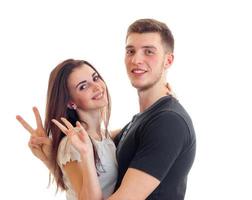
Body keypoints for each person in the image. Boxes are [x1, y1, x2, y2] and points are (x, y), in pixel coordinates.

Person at [57, 18, 196, 200]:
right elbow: (101, 141)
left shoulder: (168, 122)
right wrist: (51, 154)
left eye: (149, 52)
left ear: (168, 60)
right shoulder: (141, 121)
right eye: (131, 51)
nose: (136, 59)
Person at [16, 59, 118, 199]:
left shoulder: (102, 135)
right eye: (83, 86)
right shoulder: (72, 144)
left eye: (95, 78)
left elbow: (118, 134)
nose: (97, 87)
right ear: (71, 102)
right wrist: (86, 154)